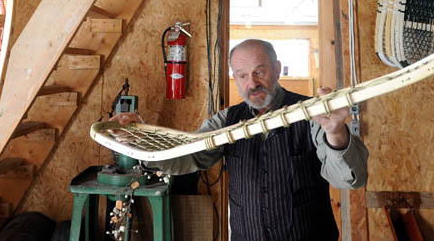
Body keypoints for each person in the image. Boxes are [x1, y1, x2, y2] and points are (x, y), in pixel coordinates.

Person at [112, 39, 369, 240]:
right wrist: (142, 139)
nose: (252, 83)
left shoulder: (310, 113)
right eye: (242, 75)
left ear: (277, 70)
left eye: (260, 72)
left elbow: (347, 179)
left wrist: (335, 131)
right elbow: (188, 153)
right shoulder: (226, 121)